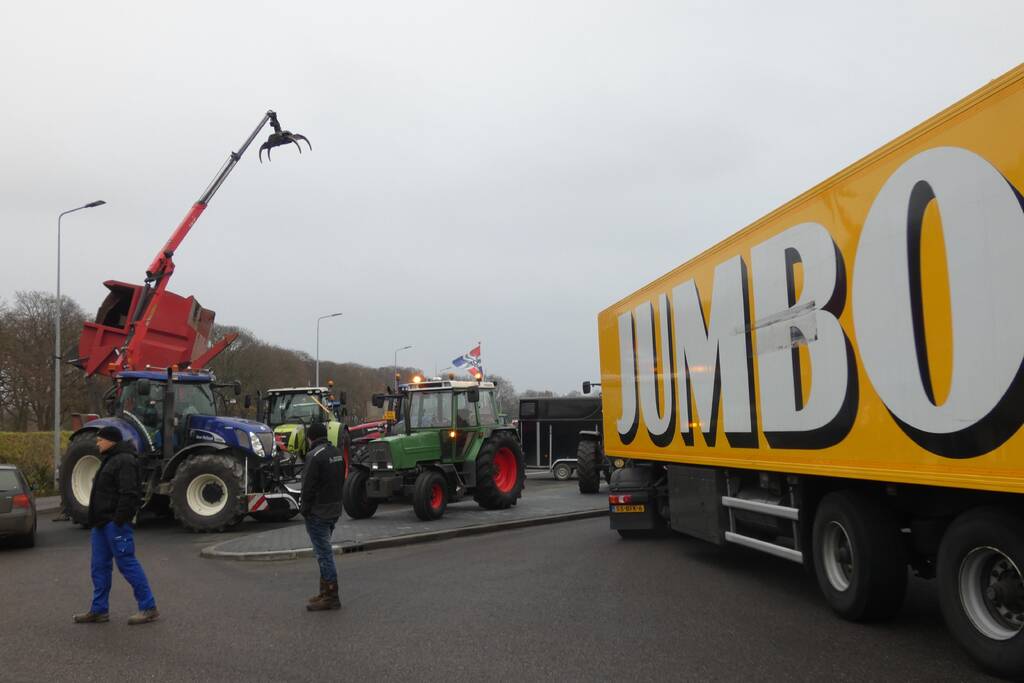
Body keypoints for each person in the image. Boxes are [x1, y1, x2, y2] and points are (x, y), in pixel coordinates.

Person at [73, 426, 159, 625]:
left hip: (114, 524)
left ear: (111, 440)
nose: (97, 442)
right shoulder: (110, 459)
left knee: (127, 563)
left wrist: (119, 520)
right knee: (99, 567)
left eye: (100, 439)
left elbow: (129, 493)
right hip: (101, 524)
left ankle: (148, 607)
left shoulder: (125, 461)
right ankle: (99, 610)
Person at [300, 421, 345, 611]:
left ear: (310, 438)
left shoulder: (314, 456)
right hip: (333, 509)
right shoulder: (336, 453)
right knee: (323, 552)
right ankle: (324, 591)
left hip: (318, 512)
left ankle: (331, 596)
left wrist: (305, 508)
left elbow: (308, 486)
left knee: (324, 554)